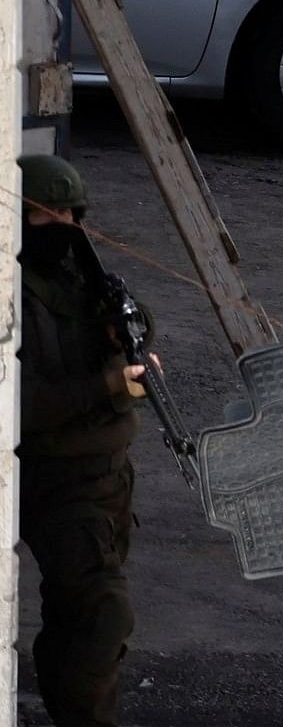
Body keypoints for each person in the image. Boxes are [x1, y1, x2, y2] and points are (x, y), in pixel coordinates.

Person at [20, 154, 146, 727]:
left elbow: (133, 320)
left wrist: (131, 329)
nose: (61, 223)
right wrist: (107, 384)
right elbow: (19, 406)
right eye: (44, 215)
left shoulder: (76, 271)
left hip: (110, 476)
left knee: (83, 621)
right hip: (62, 483)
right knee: (103, 614)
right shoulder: (13, 291)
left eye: (69, 211)